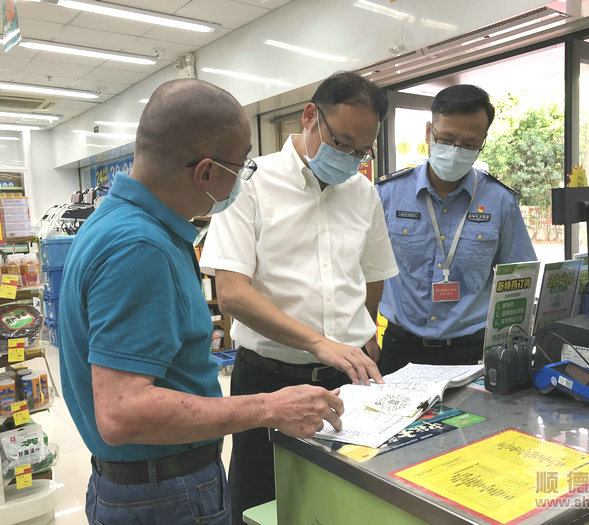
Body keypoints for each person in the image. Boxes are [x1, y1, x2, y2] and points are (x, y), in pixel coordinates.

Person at [58, 78, 344, 525]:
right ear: (206, 172)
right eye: (241, 164)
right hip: (163, 495)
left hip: (144, 486)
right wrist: (270, 407)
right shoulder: (141, 248)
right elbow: (122, 413)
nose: (243, 178)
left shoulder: (118, 223)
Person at [199, 71, 398, 523]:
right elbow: (231, 293)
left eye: (360, 151)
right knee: (260, 503)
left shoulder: (364, 193)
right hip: (268, 379)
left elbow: (372, 275)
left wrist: (363, 332)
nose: (349, 158)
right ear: (310, 116)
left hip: (349, 381)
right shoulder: (248, 183)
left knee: (351, 502)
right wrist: (317, 341)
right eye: (341, 142)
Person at [375, 84, 537, 375]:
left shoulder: (500, 201)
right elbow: (365, 271)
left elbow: (518, 279)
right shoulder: (387, 195)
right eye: (446, 139)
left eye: (469, 144)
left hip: (472, 352)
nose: (455, 151)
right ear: (428, 132)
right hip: (401, 348)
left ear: (483, 143)